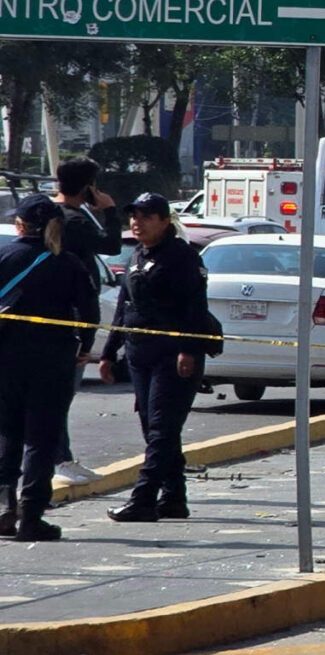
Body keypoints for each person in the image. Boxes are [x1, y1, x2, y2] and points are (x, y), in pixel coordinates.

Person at [109, 193, 221, 525]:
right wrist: (108, 350)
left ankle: (143, 499)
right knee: (154, 428)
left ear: (163, 221)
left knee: (162, 428)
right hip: (139, 351)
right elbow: (124, 305)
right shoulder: (136, 255)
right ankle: (173, 497)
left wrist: (188, 349)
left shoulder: (181, 257)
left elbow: (194, 307)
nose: (136, 222)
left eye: (145, 216)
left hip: (174, 355)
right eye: (133, 216)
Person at [0, 198, 92, 542]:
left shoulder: (5, 256)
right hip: (53, 362)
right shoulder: (67, 263)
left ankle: (4, 505)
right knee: (42, 438)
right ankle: (32, 516)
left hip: (6, 358)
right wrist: (85, 345)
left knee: (7, 432)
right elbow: (89, 309)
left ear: (21, 225)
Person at [49, 158, 115, 483]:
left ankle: (55, 456)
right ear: (88, 186)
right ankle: (59, 459)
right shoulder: (75, 220)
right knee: (60, 396)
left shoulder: (46, 213)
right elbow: (113, 245)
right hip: (70, 320)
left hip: (44, 317)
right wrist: (110, 209)